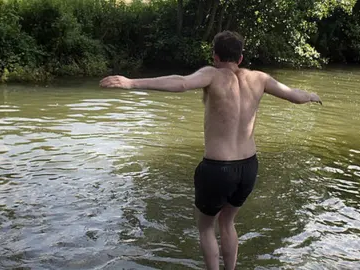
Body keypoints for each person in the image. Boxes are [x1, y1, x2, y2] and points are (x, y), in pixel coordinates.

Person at [99, 30, 322, 270]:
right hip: (248, 167)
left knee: (206, 227)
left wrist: (132, 82)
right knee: (228, 223)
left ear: (215, 56)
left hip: (218, 168)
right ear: (241, 57)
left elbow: (182, 82)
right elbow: (294, 96)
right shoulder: (260, 78)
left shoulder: (212, 75)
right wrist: (311, 95)